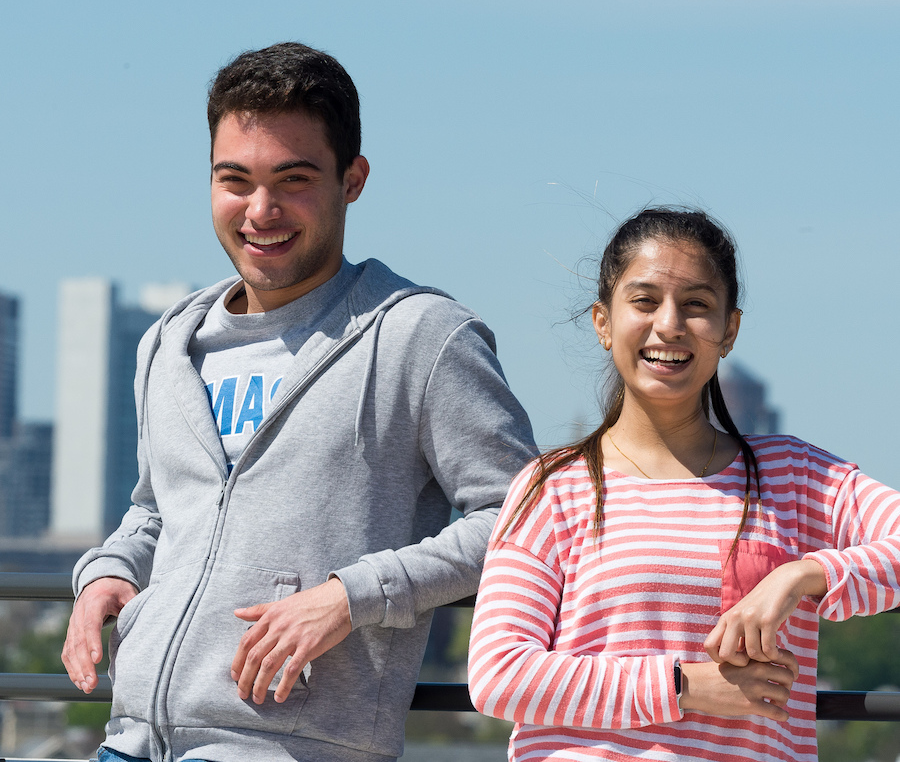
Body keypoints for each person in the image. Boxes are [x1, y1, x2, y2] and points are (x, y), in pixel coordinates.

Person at [61, 42, 535, 762]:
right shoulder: (168, 342)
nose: (262, 209)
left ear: (353, 180)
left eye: (294, 179)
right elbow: (157, 511)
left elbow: (524, 518)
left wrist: (351, 595)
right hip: (126, 743)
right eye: (235, 180)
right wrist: (109, 572)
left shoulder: (422, 336)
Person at [468, 207, 900, 762]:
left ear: (729, 331)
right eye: (644, 301)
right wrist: (685, 687)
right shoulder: (553, 487)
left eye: (696, 305)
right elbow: (499, 674)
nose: (669, 324)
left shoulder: (795, 478)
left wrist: (802, 576)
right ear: (603, 322)